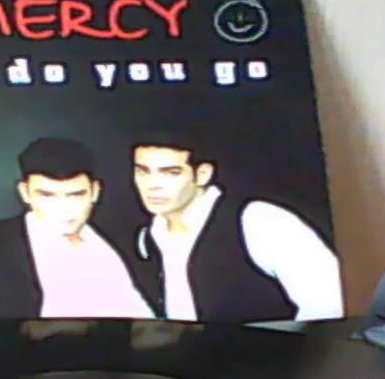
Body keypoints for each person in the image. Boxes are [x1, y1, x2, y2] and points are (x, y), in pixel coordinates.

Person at [129, 131, 344, 322]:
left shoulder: (258, 220)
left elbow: (329, 302)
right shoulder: (148, 237)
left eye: (171, 173)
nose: (152, 185)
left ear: (202, 174)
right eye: (143, 171)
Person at [0, 137, 154, 320]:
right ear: (25, 192)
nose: (64, 208)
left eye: (76, 195)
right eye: (47, 195)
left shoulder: (127, 241)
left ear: (95, 191)